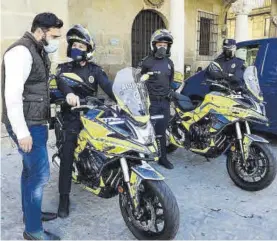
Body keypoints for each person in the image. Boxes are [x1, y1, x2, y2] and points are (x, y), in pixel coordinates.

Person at [1, 12, 63, 240]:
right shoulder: (21, 52)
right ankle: (33, 231)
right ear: (41, 31)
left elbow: (36, 89)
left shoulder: (36, 50)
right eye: (54, 36)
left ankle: (31, 214)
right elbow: (12, 95)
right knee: (39, 175)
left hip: (35, 121)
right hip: (28, 124)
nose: (57, 40)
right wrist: (22, 132)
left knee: (30, 172)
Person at [56, 24, 116, 218]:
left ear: (88, 50)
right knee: (67, 153)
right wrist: (69, 95)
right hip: (72, 116)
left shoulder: (95, 71)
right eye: (74, 45)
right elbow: (62, 84)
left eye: (81, 47)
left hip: (93, 114)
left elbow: (110, 89)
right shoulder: (63, 69)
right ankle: (64, 198)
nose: (77, 49)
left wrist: (124, 101)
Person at [138, 29, 175, 169]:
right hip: (150, 102)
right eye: (160, 44)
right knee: (147, 131)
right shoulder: (146, 62)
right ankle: (144, 159)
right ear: (154, 45)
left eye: (165, 45)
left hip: (164, 102)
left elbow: (170, 81)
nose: (162, 47)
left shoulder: (169, 63)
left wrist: (171, 93)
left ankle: (162, 158)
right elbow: (136, 79)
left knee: (161, 131)